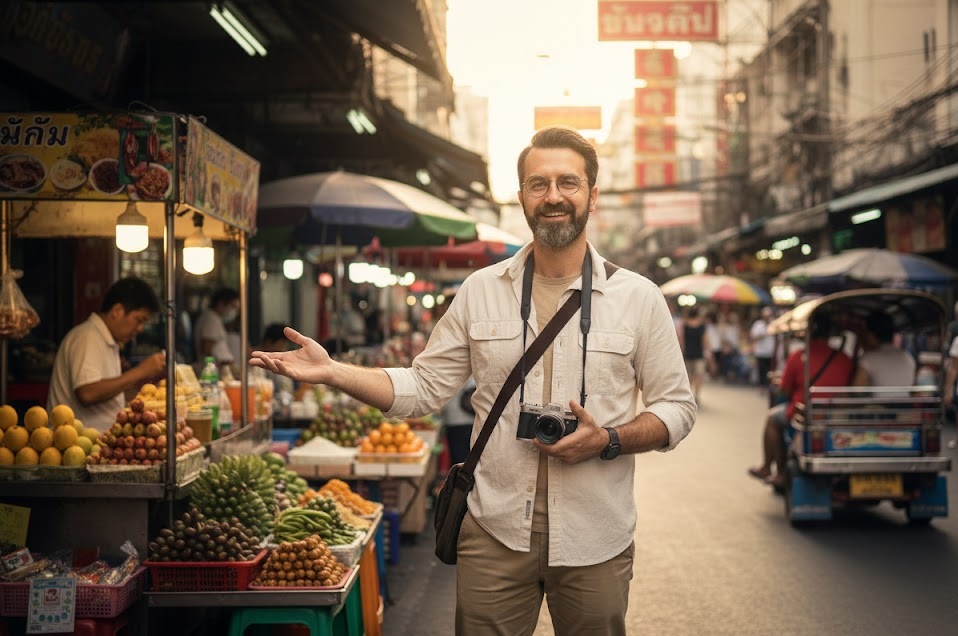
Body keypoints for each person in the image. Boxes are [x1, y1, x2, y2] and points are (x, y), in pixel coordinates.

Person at [251, 126, 696, 635]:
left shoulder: (639, 298)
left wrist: (609, 439)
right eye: (538, 184)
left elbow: (677, 408)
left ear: (592, 196)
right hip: (494, 529)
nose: (553, 196)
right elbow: (423, 387)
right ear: (522, 197)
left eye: (568, 183)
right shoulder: (481, 290)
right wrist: (333, 372)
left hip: (597, 534)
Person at [748, 313, 853, 489]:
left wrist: (781, 382)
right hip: (837, 414)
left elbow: (785, 390)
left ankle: (771, 469)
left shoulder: (799, 356)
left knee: (773, 418)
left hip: (804, 414)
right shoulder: (844, 359)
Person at [48, 277, 165, 430]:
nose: (140, 328)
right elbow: (87, 393)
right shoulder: (88, 337)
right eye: (139, 320)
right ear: (117, 311)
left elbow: (107, 393)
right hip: (79, 441)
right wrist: (141, 371)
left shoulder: (107, 339)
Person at [851, 312, 916, 391]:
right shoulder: (907, 356)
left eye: (865, 332)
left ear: (871, 334)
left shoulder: (869, 358)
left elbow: (856, 390)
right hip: (905, 399)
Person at [193, 288, 239, 367]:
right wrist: (221, 364)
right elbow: (207, 349)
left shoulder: (215, 318)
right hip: (213, 370)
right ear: (221, 303)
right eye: (232, 306)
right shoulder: (211, 319)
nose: (234, 311)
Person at [678, 305, 710, 402]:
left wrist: (682, 351)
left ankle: (689, 394)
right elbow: (705, 341)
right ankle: (696, 394)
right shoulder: (701, 326)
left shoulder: (684, 325)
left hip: (687, 353)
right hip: (699, 354)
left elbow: (681, 340)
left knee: (689, 375)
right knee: (698, 375)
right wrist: (708, 352)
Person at [750, 307, 776, 388]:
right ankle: (762, 386)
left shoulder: (774, 323)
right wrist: (763, 334)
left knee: (770, 371)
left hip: (771, 352)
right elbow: (753, 337)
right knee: (761, 370)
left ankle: (768, 386)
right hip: (761, 352)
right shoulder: (758, 324)